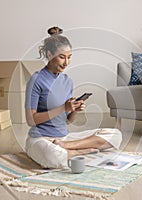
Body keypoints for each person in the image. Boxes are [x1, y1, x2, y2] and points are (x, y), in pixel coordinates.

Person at [25, 26, 122, 169]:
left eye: (69, 57)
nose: (66, 62)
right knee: (52, 156)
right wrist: (63, 108)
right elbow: (30, 120)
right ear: (50, 54)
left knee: (116, 135)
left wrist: (74, 109)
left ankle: (68, 148)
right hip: (41, 139)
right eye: (62, 57)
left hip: (63, 138)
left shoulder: (67, 81)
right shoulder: (37, 79)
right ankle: (78, 151)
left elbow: (67, 121)